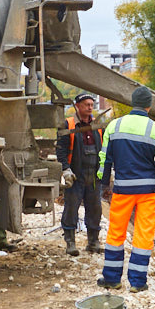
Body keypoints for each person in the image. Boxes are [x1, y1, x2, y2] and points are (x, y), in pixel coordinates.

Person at [95, 85, 155, 292]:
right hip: (148, 192)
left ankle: (112, 279)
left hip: (122, 190)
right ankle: (138, 283)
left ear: (133, 103)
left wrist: (103, 184)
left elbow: (104, 159)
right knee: (144, 235)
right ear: (149, 106)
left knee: (116, 233)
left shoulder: (114, 126)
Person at [55, 94, 105, 256]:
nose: (90, 107)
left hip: (94, 175)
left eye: (92, 104)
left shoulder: (97, 125)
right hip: (76, 175)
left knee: (95, 208)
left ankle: (93, 242)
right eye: (86, 105)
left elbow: (103, 149)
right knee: (71, 208)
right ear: (77, 106)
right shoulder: (68, 124)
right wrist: (66, 170)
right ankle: (70, 242)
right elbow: (61, 150)